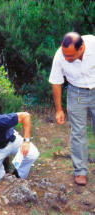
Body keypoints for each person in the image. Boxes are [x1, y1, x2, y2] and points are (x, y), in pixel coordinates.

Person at [49, 32, 95, 186]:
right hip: (76, 93)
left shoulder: (93, 44)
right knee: (78, 132)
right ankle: (80, 171)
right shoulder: (60, 56)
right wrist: (59, 109)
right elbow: (56, 82)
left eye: (70, 56)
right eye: (64, 54)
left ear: (81, 48)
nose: (66, 58)